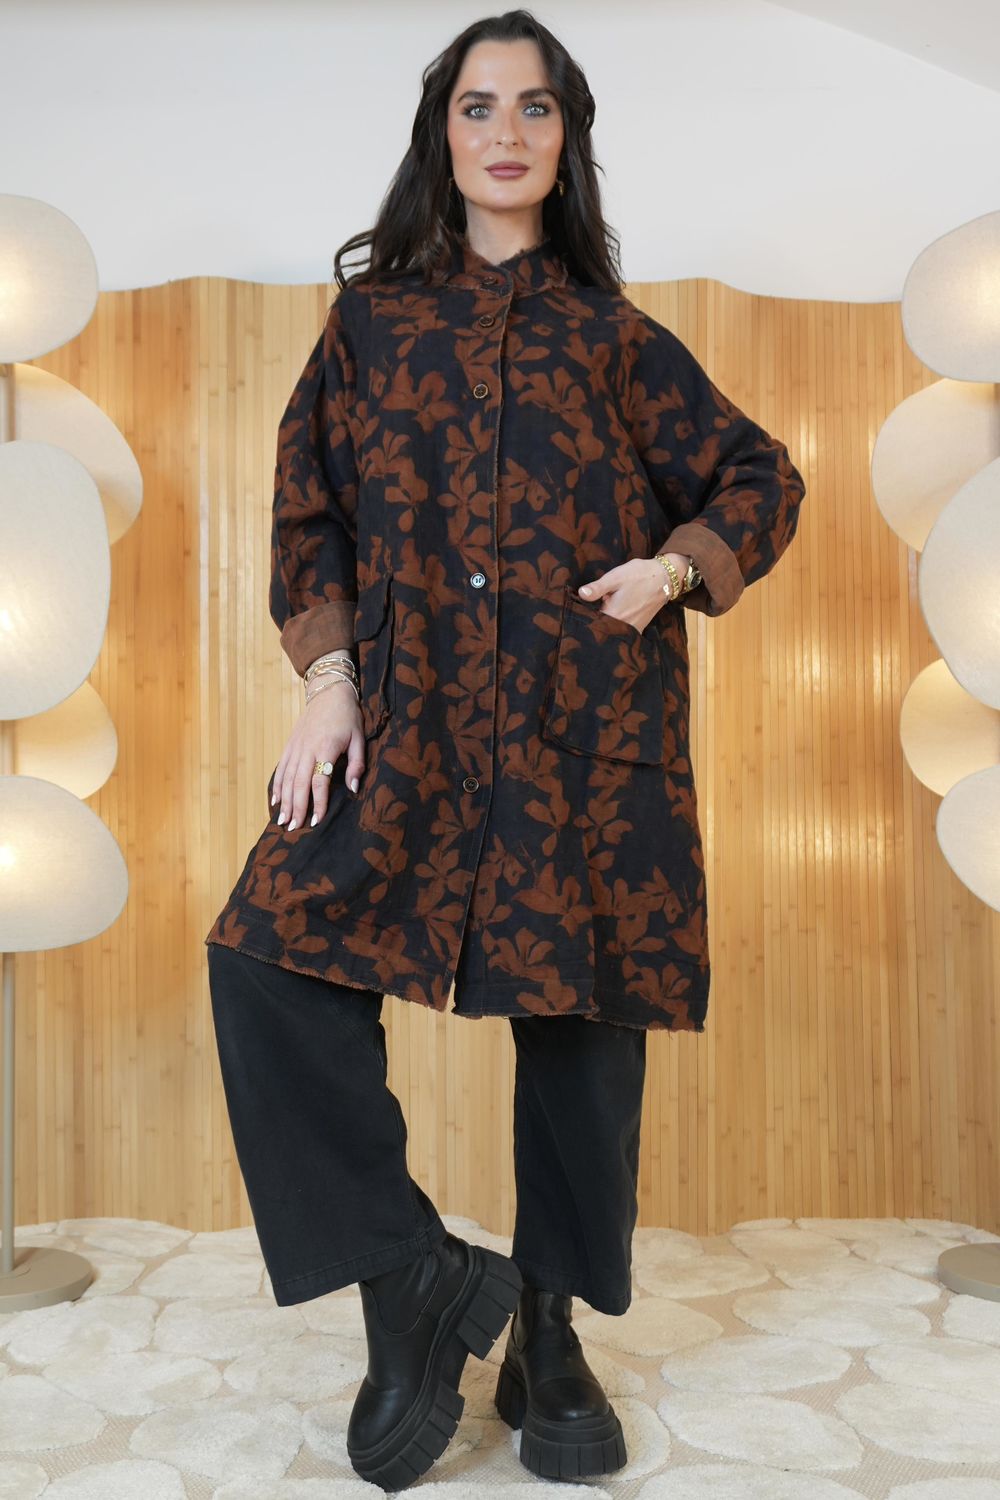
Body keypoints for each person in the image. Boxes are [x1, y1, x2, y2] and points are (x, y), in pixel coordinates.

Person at [204, 7, 806, 1489]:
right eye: (479, 106)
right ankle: (407, 1275)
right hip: (402, 725)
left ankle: (552, 1329)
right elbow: (306, 515)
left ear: (566, 137)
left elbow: (760, 477)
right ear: (444, 134)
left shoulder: (617, 340)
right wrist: (327, 684)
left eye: (536, 107)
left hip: (579, 732)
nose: (507, 132)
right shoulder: (368, 330)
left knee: (581, 1025)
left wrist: (674, 569)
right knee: (265, 956)